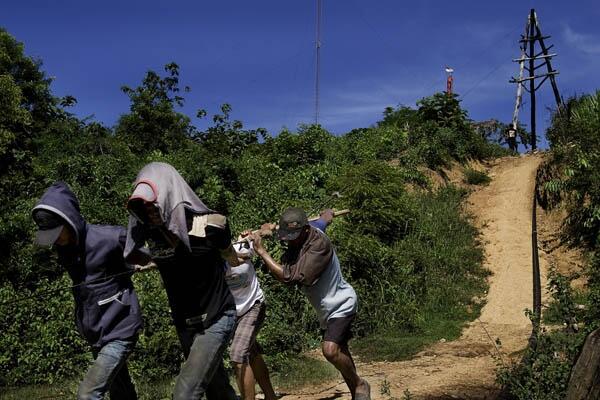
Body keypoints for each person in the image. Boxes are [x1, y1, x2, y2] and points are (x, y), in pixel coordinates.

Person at [123, 162, 238, 400]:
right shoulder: (147, 233)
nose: (150, 213)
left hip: (216, 316)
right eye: (143, 209)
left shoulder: (211, 224)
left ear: (170, 195)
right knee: (217, 389)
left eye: (153, 206)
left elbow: (232, 258)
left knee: (185, 393)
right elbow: (135, 255)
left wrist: (237, 253)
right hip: (185, 324)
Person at [31, 182, 142, 400]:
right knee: (120, 389)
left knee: (88, 393)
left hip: (120, 328)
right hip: (95, 332)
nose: (54, 241)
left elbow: (141, 254)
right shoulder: (65, 249)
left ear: (69, 222)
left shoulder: (109, 238)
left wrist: (138, 263)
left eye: (56, 233)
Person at [251, 207, 371, 400]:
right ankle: (356, 393)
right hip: (325, 311)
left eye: (293, 235)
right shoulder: (308, 231)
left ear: (306, 230)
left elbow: (290, 277)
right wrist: (270, 232)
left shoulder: (319, 245)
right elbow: (323, 220)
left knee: (330, 351)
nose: (289, 240)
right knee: (342, 353)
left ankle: (360, 384)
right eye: (286, 235)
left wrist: (262, 252)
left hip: (342, 304)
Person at [225, 237, 277, 400]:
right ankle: (270, 395)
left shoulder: (242, 244)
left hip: (254, 305)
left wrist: (263, 231)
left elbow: (258, 240)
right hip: (232, 313)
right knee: (252, 353)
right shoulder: (208, 257)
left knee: (238, 354)